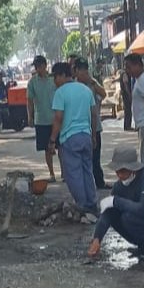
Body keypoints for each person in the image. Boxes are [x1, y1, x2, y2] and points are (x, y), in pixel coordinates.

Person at [48, 61, 98, 216]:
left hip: (69, 137)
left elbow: (58, 118)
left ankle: (82, 205)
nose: (55, 81)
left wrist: (52, 140)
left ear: (63, 75)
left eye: (55, 77)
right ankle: (92, 203)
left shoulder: (60, 93)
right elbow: (94, 114)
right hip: (86, 136)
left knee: (74, 173)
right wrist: (93, 135)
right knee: (87, 171)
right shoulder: (85, 90)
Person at [74, 58, 107, 189]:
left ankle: (99, 182)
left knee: (95, 157)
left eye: (85, 69)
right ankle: (84, 184)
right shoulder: (73, 86)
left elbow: (103, 94)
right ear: (75, 71)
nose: (84, 72)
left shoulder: (92, 83)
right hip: (80, 127)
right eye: (81, 70)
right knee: (82, 159)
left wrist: (93, 83)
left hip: (95, 127)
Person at [26, 55, 57, 182]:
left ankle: (65, 173)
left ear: (45, 65)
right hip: (41, 119)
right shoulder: (32, 82)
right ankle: (52, 173)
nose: (38, 69)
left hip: (56, 118)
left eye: (40, 66)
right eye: (36, 67)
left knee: (60, 147)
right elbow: (29, 101)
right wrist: (30, 116)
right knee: (46, 148)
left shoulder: (53, 80)